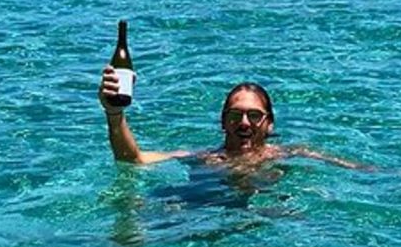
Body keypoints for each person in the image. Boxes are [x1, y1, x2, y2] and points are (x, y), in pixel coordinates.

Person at [98, 69, 380, 171]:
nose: (244, 122)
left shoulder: (291, 155)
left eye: (254, 116)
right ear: (223, 122)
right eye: (235, 115)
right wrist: (114, 112)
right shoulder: (205, 158)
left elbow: (361, 169)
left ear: (269, 124)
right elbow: (131, 160)